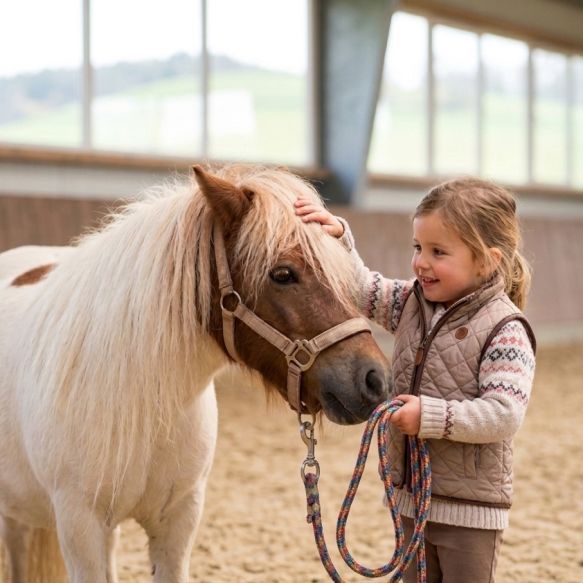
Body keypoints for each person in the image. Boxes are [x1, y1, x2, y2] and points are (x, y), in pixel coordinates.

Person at [295, 177, 536, 583]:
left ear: (486, 261)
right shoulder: (411, 302)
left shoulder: (505, 329)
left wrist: (429, 416)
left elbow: (504, 414)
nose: (421, 262)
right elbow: (362, 288)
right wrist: (338, 240)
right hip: (411, 498)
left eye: (438, 252)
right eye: (418, 247)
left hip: (469, 512)